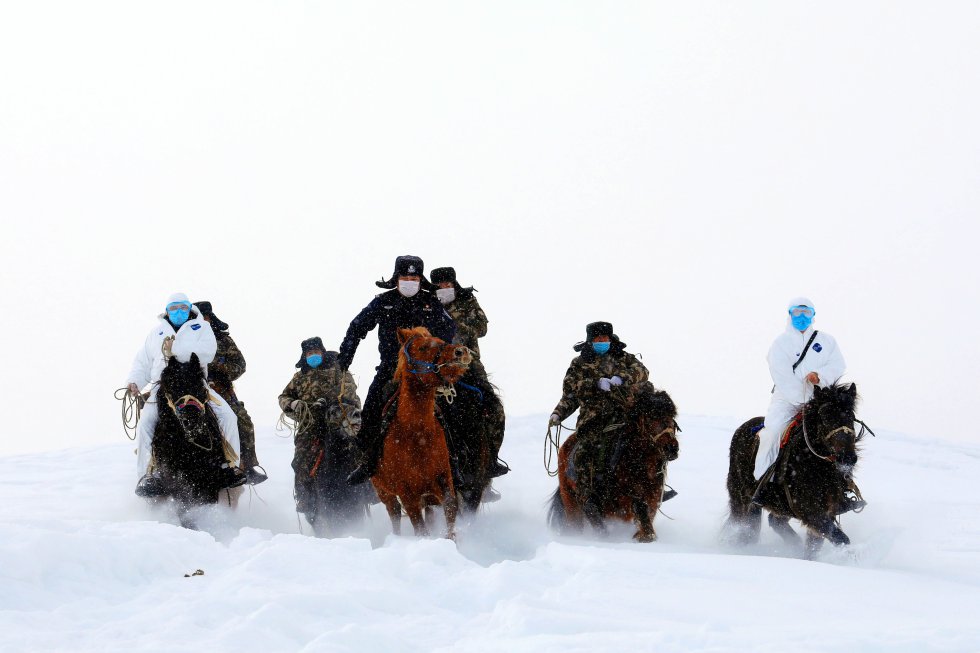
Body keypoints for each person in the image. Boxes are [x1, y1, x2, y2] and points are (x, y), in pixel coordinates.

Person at [340, 255, 456, 484]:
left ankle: (455, 465)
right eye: (406, 278)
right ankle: (368, 462)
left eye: (414, 278)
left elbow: (449, 328)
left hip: (426, 371)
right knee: (372, 407)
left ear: (421, 280)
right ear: (397, 279)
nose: (410, 282)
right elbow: (357, 327)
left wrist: (436, 351)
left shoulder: (430, 302)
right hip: (390, 369)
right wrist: (345, 357)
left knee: (453, 410)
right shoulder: (382, 302)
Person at [126, 293, 245, 497]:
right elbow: (143, 362)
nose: (178, 312)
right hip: (163, 386)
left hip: (195, 384)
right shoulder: (156, 333)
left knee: (228, 417)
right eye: (174, 308)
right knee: (145, 424)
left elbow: (207, 352)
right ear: (167, 311)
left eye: (182, 307)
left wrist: (176, 350)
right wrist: (134, 382)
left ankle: (230, 466)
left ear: (189, 308)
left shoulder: (202, 327)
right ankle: (147, 475)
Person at [549, 322, 650, 519]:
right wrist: (558, 413)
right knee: (585, 453)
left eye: (605, 338)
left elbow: (643, 372)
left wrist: (621, 378)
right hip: (594, 420)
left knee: (650, 445)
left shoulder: (624, 357)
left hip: (626, 416)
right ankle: (587, 497)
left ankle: (653, 488)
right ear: (590, 340)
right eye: (598, 338)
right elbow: (571, 394)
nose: (602, 341)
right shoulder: (579, 363)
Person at [754, 297, 847, 479]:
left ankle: (843, 479)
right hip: (786, 400)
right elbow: (781, 374)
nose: (802, 316)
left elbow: (838, 365)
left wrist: (819, 376)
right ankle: (763, 479)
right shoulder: (781, 343)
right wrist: (803, 400)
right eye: (797, 312)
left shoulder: (827, 341)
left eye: (806, 312)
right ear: (790, 315)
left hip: (820, 399)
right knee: (772, 432)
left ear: (813, 315)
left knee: (841, 431)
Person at [430, 266, 508, 480]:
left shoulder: (467, 300)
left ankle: (491, 460)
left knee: (495, 409)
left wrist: (455, 324)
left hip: (468, 363)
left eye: (447, 283)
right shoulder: (427, 303)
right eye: (439, 285)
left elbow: (482, 328)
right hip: (435, 366)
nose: (444, 287)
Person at [279, 337, 361, 513]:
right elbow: (283, 397)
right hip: (311, 424)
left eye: (316, 352)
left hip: (339, 419)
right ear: (305, 355)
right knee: (300, 459)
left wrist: (329, 402)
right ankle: (305, 498)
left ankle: (368, 489)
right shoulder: (299, 377)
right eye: (309, 353)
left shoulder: (338, 368)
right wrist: (293, 404)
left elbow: (349, 390)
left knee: (359, 447)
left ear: (322, 352)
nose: (313, 355)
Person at [196, 300, 267, 485]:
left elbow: (240, 365)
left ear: (210, 317)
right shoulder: (185, 339)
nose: (202, 321)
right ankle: (154, 471)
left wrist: (221, 369)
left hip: (221, 390)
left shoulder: (224, 340)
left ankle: (246, 466)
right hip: (191, 389)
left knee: (243, 421)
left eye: (205, 317)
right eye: (198, 317)